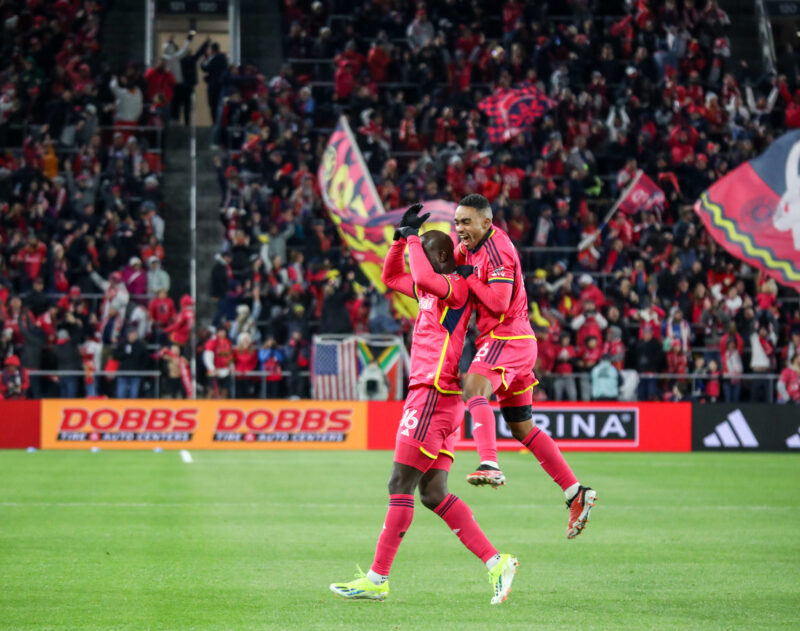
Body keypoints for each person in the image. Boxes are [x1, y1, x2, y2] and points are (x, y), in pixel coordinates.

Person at [330, 216, 517, 604]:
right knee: (433, 493)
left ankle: (377, 579)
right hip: (439, 399)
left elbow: (422, 275)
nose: (420, 260)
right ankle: (496, 562)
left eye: (427, 254)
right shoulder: (431, 290)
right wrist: (400, 241)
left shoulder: (456, 287)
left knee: (399, 484)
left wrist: (414, 239)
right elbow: (390, 276)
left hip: (431, 395)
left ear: (443, 258)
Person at [452, 194, 596, 538]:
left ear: (487, 222)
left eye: (466, 222)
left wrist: (468, 279)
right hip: (511, 342)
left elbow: (500, 303)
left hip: (508, 337)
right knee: (522, 428)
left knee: (473, 388)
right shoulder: (469, 247)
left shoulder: (498, 250)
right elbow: (449, 261)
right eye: (456, 223)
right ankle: (575, 492)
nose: (460, 229)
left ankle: (489, 462)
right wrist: (412, 245)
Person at [113, 328, 149, 398]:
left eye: (135, 334)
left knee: (133, 394)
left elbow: (145, 359)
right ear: (128, 335)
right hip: (123, 373)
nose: (133, 336)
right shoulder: (123, 344)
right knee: (121, 394)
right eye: (132, 334)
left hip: (136, 373)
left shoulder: (141, 345)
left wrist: (141, 370)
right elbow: (116, 356)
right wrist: (125, 353)